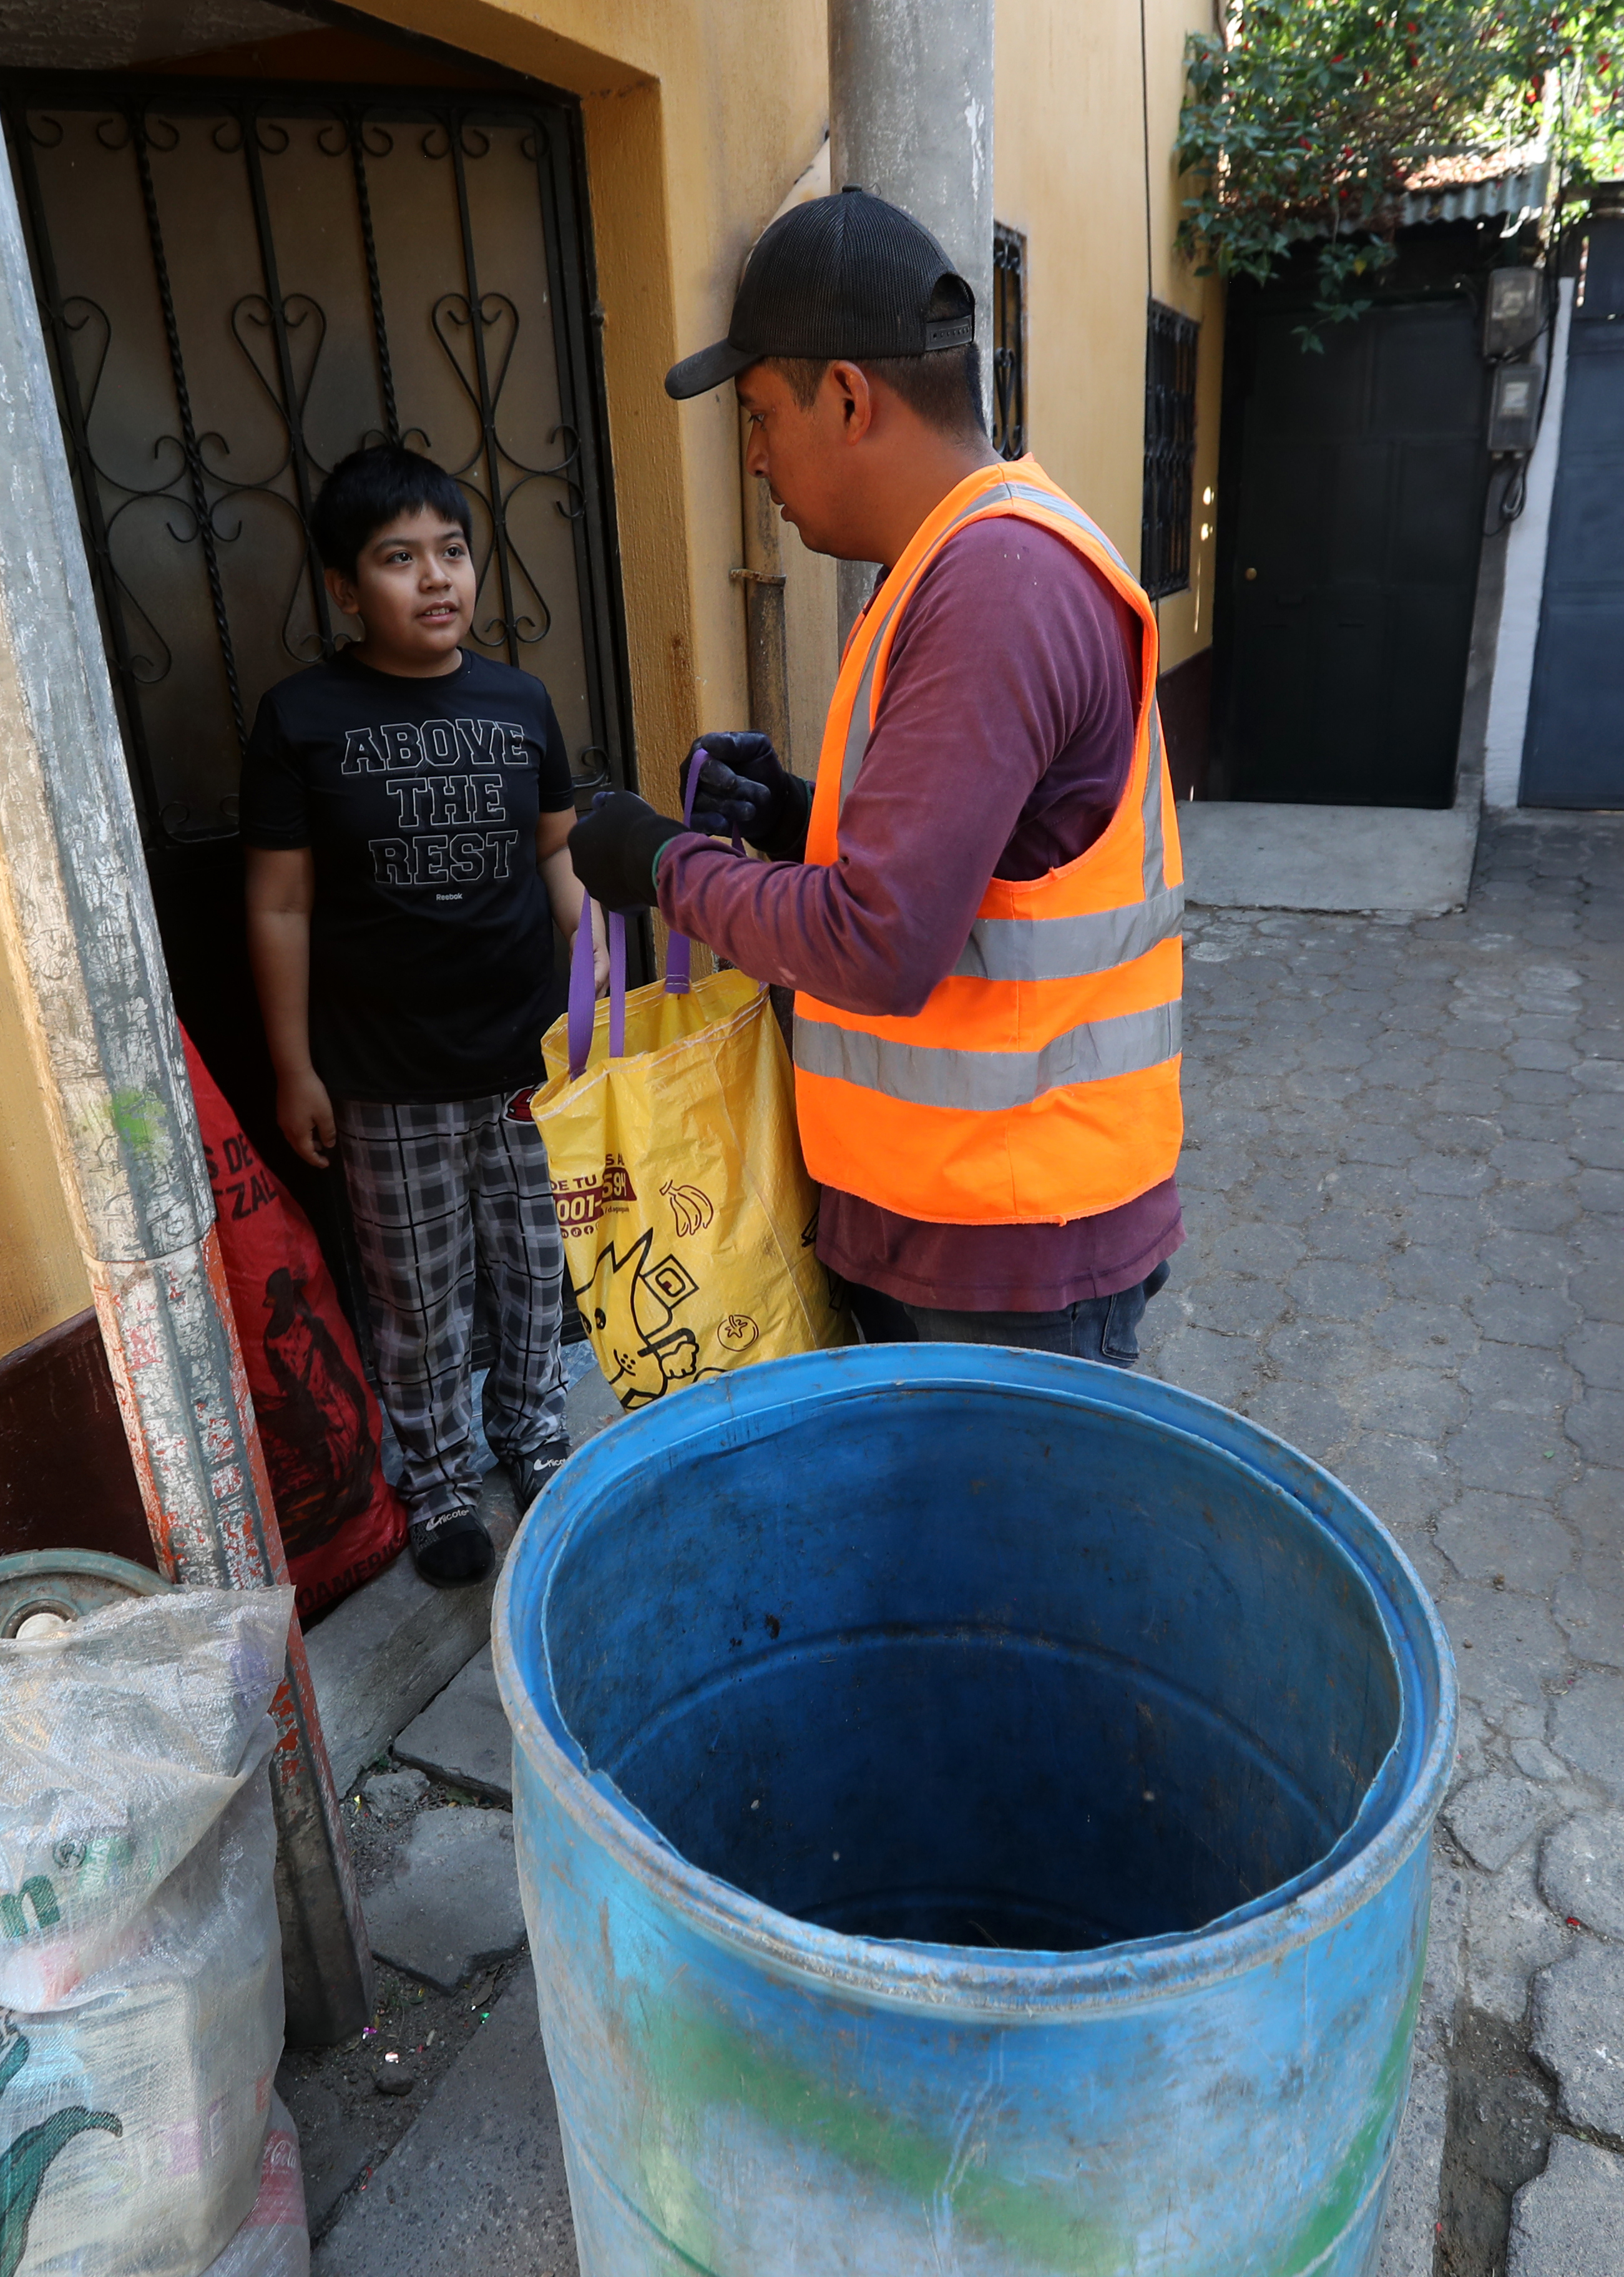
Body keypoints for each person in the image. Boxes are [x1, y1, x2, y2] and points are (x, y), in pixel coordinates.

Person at [567, 188, 1184, 1364]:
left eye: (758, 416)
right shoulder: (962, 565)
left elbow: (879, 943)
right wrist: (801, 816)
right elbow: (983, 872)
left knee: (985, 1558)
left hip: (1005, 1249)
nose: (753, 460)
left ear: (848, 397)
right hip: (954, 1223)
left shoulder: (995, 585)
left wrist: (659, 863)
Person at [243, 444, 585, 1585]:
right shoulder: (302, 719)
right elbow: (282, 903)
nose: (437, 579)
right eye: (399, 559)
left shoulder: (520, 701)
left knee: (539, 1274)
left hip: (527, 1058)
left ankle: (533, 1439)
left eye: (452, 551)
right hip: (385, 1078)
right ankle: (438, 1486)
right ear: (347, 589)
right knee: (420, 1298)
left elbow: (561, 866)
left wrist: (604, 1012)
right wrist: (295, 1068)